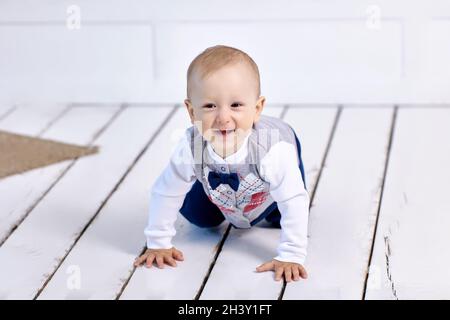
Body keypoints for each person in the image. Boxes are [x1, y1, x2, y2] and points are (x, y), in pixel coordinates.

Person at [134, 45, 310, 282]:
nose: (223, 117)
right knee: (201, 219)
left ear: (257, 109)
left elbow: (293, 200)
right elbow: (165, 190)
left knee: (285, 211)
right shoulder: (191, 146)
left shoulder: (274, 151)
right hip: (218, 182)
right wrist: (158, 242)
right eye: (209, 106)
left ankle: (272, 208)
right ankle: (211, 197)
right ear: (191, 110)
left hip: (267, 183)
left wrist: (291, 255)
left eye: (236, 105)